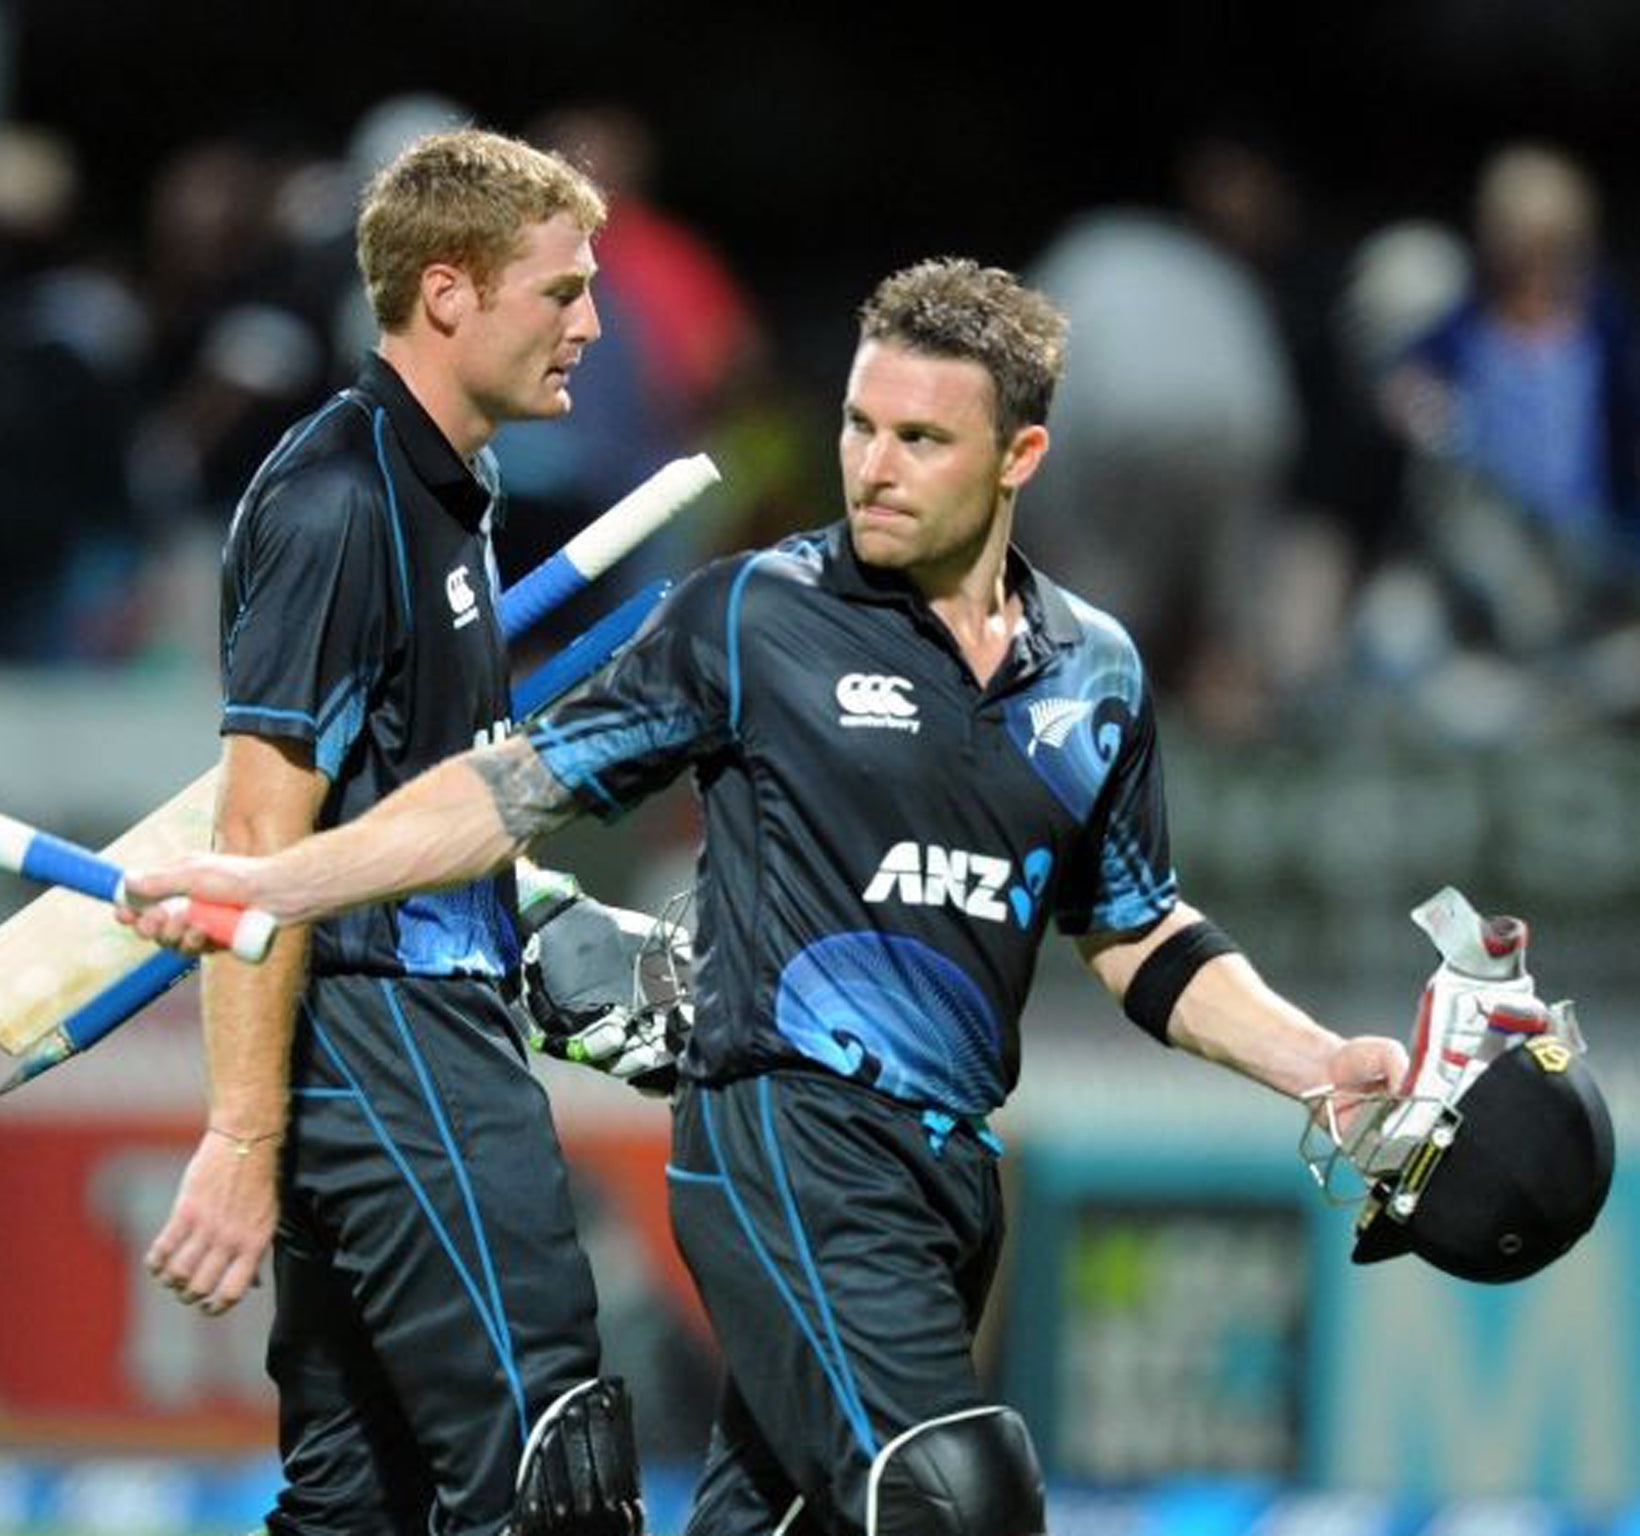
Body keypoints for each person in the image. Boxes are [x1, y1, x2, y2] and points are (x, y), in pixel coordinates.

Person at [124, 256, 1410, 1536]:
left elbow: (1136, 932)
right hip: (786, 1143)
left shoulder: (1100, 670)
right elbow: (501, 793)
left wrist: (1313, 1063)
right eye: (858, 425)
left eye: (920, 438)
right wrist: (275, 879)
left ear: (1019, 456)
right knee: (948, 1504)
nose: (873, 466)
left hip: (949, 1179)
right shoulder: (748, 616)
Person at [143, 127, 648, 1536]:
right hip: (388, 1054)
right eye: (560, 291)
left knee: (358, 1506)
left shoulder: (445, 489)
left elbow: (407, 798)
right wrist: (241, 1138)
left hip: (412, 1037)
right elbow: (259, 835)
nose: (591, 324)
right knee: (556, 1485)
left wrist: (531, 919)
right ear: (448, 293)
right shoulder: (337, 498)